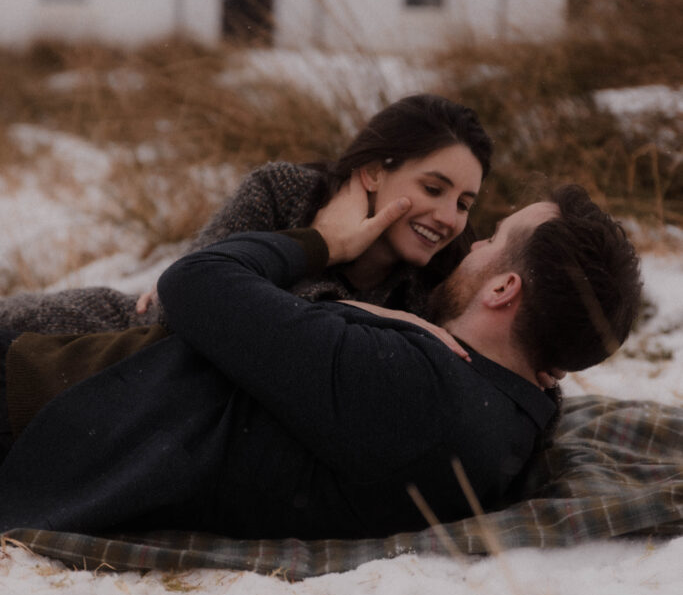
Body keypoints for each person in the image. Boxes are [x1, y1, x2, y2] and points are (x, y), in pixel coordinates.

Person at [0, 179, 641, 540]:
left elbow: (193, 282)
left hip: (40, 411)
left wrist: (323, 241)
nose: (472, 245)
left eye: (495, 241)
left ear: (504, 290)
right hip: (74, 394)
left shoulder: (410, 387)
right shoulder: (508, 407)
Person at [0, 95, 493, 334]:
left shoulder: (438, 282)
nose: (448, 217)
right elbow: (183, 307)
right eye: (433, 188)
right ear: (371, 171)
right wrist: (325, 246)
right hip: (116, 338)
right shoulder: (284, 194)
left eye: (465, 204)